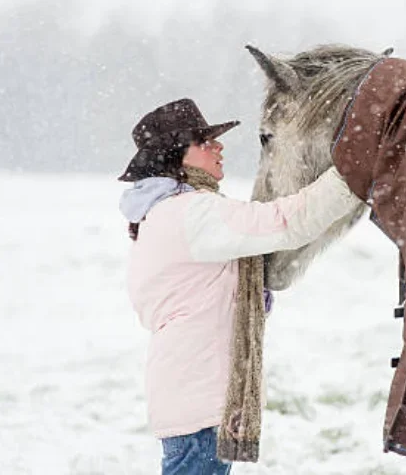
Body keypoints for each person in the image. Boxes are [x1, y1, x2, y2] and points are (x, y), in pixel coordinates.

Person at [118, 98, 360, 475]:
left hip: (191, 397)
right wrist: (351, 169)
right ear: (177, 156)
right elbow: (285, 221)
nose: (219, 147)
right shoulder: (191, 213)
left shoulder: (168, 212)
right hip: (199, 402)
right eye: (205, 142)